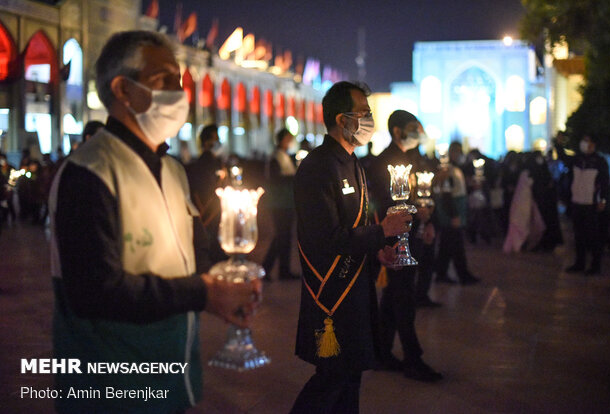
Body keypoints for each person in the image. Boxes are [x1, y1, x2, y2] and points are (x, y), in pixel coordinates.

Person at [48, 30, 260, 414]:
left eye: (179, 81)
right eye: (164, 80)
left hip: (172, 376)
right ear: (123, 90)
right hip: (111, 384)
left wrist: (231, 280)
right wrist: (203, 293)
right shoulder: (89, 172)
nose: (179, 93)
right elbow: (93, 291)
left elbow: (192, 254)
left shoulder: (172, 170)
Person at [290, 81, 411, 414]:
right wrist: (381, 230)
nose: (369, 119)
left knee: (351, 376)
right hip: (331, 291)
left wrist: (378, 250)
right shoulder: (317, 167)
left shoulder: (352, 162)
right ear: (342, 120)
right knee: (332, 379)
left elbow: (355, 227)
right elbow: (324, 238)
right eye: (364, 113)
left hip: (357, 285)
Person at [366, 109, 442, 382]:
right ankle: (413, 357)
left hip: (410, 235)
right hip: (393, 241)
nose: (418, 133)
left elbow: (420, 195)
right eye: (413, 128)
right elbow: (383, 206)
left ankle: (382, 352)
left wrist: (427, 219)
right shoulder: (382, 162)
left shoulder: (413, 158)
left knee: (394, 298)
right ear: (397, 131)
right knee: (403, 299)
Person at [555, 135, 609, 275]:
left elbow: (604, 182)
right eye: (583, 140)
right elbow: (563, 157)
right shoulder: (577, 159)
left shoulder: (600, 161)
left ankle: (595, 266)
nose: (585, 144)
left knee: (592, 236)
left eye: (588, 141)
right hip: (577, 201)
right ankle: (579, 263)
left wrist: (602, 200)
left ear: (593, 144)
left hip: (591, 203)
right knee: (578, 235)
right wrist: (558, 144)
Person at [434, 141, 480, 284]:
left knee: (446, 246)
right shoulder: (447, 171)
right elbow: (447, 194)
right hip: (450, 213)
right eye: (456, 151)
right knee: (457, 245)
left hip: (454, 209)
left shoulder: (455, 169)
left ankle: (441, 273)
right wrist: (454, 215)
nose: (459, 155)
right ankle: (463, 275)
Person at [262, 128, 299, 280]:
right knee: (280, 236)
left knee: (285, 236)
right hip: (278, 203)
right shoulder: (275, 157)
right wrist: (292, 178)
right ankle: (266, 268)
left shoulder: (284, 156)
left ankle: (284, 270)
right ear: (282, 139)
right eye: (288, 139)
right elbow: (274, 179)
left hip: (286, 202)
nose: (290, 142)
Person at [186, 123, 226, 236]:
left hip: (214, 211)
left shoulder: (216, 161)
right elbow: (202, 189)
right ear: (206, 142)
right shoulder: (205, 162)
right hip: (209, 212)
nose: (218, 142)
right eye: (216, 138)